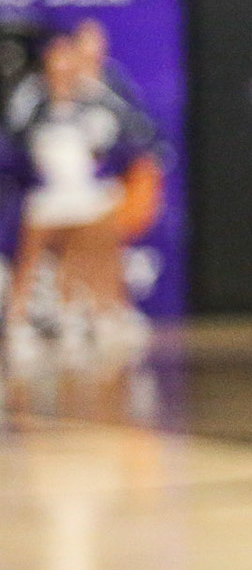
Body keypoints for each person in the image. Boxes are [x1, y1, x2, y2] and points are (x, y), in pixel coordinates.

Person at [4, 30, 158, 362]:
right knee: (30, 258)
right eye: (56, 57)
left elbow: (134, 137)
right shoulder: (32, 98)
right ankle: (19, 321)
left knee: (96, 251)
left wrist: (105, 164)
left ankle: (98, 312)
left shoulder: (98, 98)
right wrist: (31, 173)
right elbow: (13, 143)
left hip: (87, 195)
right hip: (47, 195)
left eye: (68, 57)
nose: (62, 65)